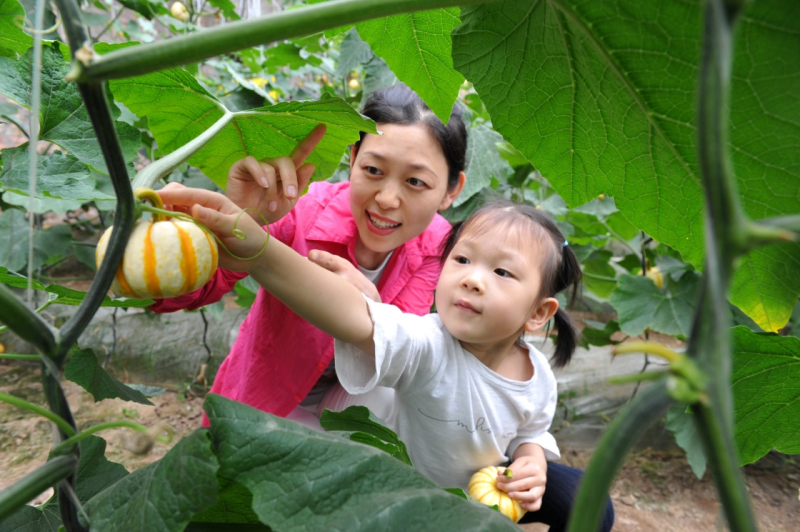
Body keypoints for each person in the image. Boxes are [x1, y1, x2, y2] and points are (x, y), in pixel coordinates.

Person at [153, 187, 615, 531]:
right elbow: (356, 318)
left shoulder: (536, 376)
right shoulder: (427, 346)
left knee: (594, 507)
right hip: (400, 501)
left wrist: (532, 458)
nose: (472, 280)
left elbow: (532, 426)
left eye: (501, 271)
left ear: (538, 313)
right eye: (462, 260)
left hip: (472, 497)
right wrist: (257, 250)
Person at [150, 84, 467, 428]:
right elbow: (184, 293)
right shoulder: (303, 208)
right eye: (373, 170)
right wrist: (225, 229)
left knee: (392, 392)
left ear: (452, 191)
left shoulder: (439, 246)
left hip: (351, 412)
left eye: (416, 182)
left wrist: (375, 311)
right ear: (353, 159)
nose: (388, 199)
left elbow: (402, 360)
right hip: (266, 403)